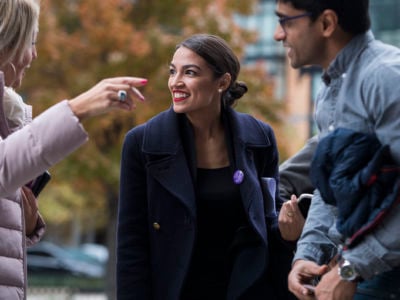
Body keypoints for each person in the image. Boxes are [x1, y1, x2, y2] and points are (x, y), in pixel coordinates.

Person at [117, 33, 296, 300]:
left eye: (189, 72)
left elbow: (268, 222)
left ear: (222, 82)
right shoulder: (142, 144)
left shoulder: (260, 138)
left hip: (247, 290)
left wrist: (287, 230)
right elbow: (132, 244)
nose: (176, 82)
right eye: (172, 71)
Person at [0, 0, 147, 299]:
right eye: (31, 41)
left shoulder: (10, 118)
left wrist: (23, 223)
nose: (34, 54)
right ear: (7, 40)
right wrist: (78, 108)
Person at [273, 0, 400, 299]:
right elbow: (332, 189)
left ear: (327, 24)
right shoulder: (331, 87)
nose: (279, 35)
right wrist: (308, 254)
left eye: (286, 21)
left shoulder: (387, 78)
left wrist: (351, 268)